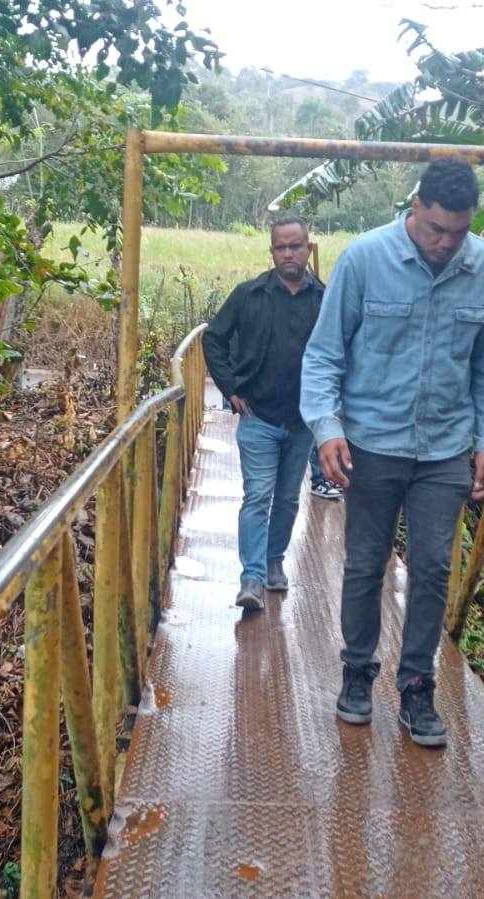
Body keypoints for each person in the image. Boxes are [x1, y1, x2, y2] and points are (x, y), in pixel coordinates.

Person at [300, 159, 484, 747]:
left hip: (445, 448)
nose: (446, 243)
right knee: (365, 563)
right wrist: (327, 428)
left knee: (434, 566)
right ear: (415, 206)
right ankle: (357, 672)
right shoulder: (365, 259)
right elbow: (324, 355)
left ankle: (417, 685)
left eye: (459, 232)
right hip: (371, 443)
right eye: (436, 229)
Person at [203, 215, 324, 611]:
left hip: (302, 422)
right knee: (257, 495)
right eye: (280, 247)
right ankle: (251, 578)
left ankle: (274, 561)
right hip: (258, 417)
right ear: (271, 251)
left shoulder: (323, 300)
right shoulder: (249, 295)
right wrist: (230, 388)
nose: (288, 253)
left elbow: (340, 351)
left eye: (295, 246)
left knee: (287, 499)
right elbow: (214, 339)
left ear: (308, 249)